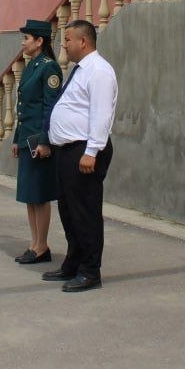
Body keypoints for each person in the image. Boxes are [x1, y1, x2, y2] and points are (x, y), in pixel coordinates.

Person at [43, 19, 117, 293]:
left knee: (85, 212)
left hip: (85, 151)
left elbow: (101, 114)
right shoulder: (80, 70)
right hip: (69, 151)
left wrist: (91, 151)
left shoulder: (99, 71)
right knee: (68, 210)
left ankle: (90, 270)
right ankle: (73, 262)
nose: (64, 45)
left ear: (83, 41)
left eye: (68, 40)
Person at [10, 19, 62, 264]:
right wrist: (16, 138)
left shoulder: (49, 67)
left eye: (27, 38)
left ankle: (42, 246)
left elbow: (50, 108)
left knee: (40, 195)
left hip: (39, 141)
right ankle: (34, 243)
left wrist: (45, 141)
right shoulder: (32, 66)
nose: (23, 42)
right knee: (30, 195)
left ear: (39, 41)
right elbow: (23, 107)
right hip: (26, 139)